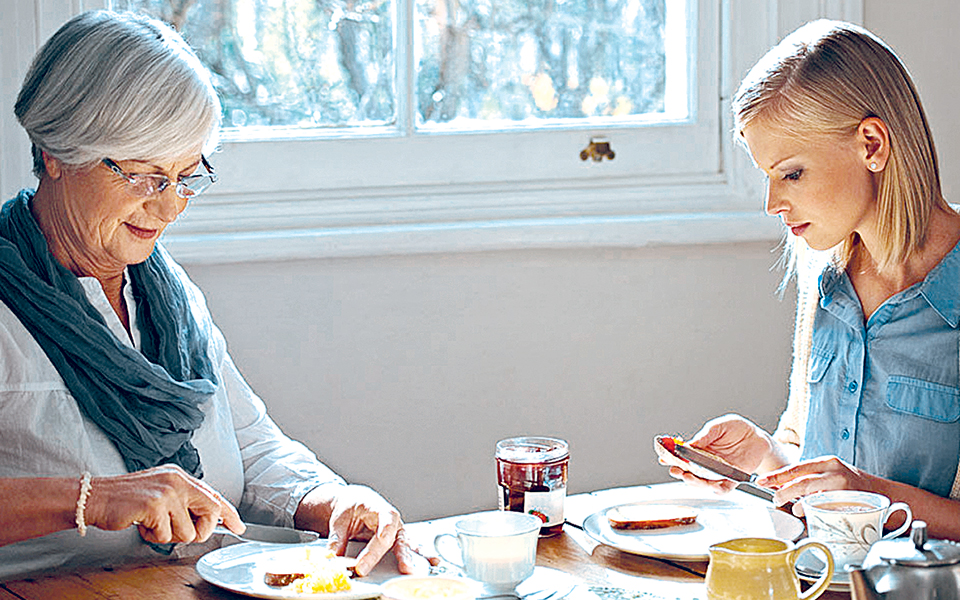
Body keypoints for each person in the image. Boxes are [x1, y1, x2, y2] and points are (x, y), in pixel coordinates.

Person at [0, 10, 434, 579]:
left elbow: (250, 448)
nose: (170, 205)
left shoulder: (169, 295)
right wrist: (93, 498)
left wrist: (335, 499)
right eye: (144, 175)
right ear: (56, 152)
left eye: (186, 176)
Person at [669, 19, 960, 540]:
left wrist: (870, 496)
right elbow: (817, 471)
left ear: (872, 144)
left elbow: (852, 489)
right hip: (816, 579)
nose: (772, 204)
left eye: (792, 173)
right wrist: (762, 455)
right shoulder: (823, 273)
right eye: (768, 176)